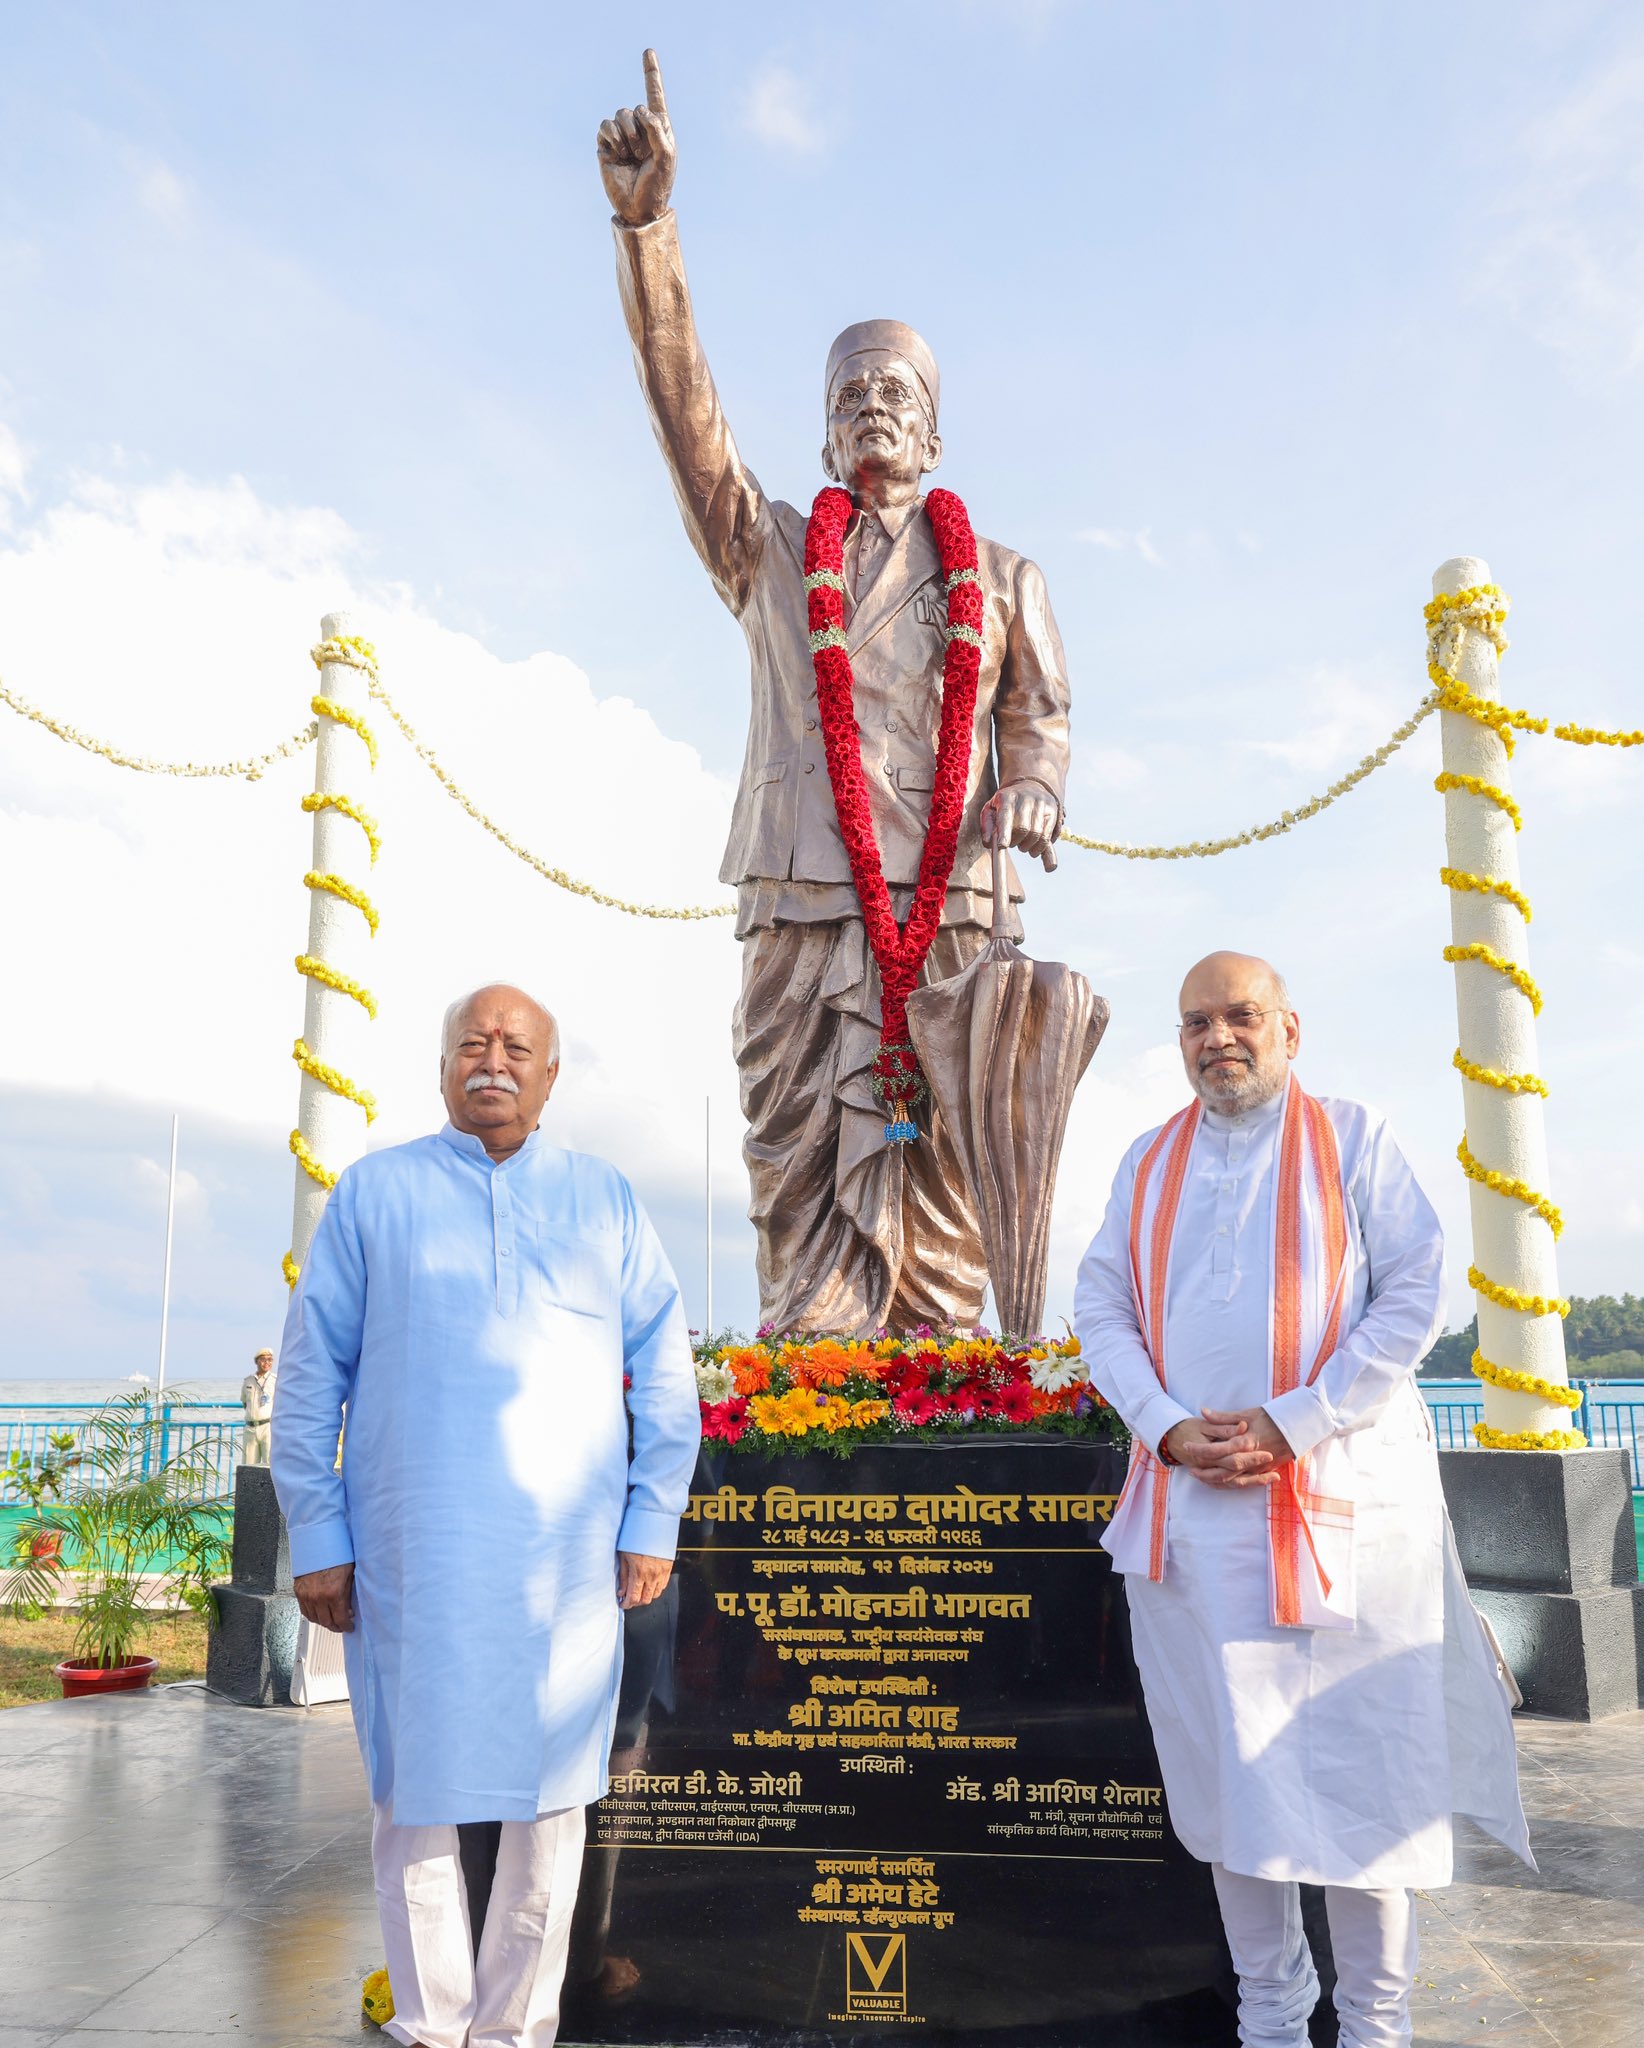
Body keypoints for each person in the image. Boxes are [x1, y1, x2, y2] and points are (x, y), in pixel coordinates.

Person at [599, 51, 1071, 1337]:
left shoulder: (1007, 574)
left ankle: (946, 1372)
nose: (872, 410)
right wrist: (650, 230)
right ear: (821, 435)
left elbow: (1037, 715)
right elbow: (684, 415)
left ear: (934, 431)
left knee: (950, 1151)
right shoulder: (766, 550)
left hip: (956, 881)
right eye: (849, 397)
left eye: (896, 396)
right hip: (804, 880)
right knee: (796, 1145)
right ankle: (809, 1364)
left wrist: (1028, 783)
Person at [1074, 951, 1530, 2048]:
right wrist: (1167, 1422)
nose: (1215, 1037)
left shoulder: (1355, 1137)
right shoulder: (1148, 1160)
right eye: (1195, 1021)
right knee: (1236, 1789)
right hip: (1197, 1528)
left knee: (1366, 1787)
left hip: (1345, 1518)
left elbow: (1416, 1290)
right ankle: (1270, 2018)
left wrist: (1298, 1419)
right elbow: (1100, 1303)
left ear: (1289, 1028)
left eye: (1240, 1015)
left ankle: (1377, 2026)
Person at [272, 983, 701, 2048]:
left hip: (566, 1571)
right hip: (414, 1559)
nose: (493, 1060)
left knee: (549, 1805)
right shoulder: (375, 1194)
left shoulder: (604, 1199)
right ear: (443, 1068)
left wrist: (652, 1518)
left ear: (552, 1076)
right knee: (414, 1801)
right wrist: (320, 1538)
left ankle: (517, 2027)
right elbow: (309, 1378)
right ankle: (431, 2022)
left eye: (518, 1046)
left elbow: (667, 1372)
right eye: (472, 1043)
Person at [239, 1347, 275, 1466]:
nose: (267, 1363)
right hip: (250, 1428)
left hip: (267, 1426)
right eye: (263, 1359)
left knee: (269, 1464)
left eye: (270, 1360)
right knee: (248, 1465)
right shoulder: (248, 1381)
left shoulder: (275, 1380)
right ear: (257, 1361)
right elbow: (245, 1402)